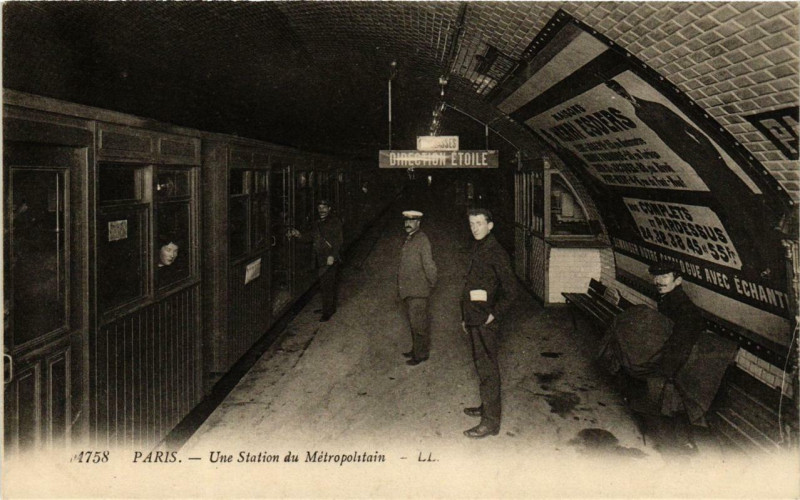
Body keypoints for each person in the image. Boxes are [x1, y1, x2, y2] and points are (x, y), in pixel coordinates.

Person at [599, 260, 706, 454]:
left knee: (669, 405)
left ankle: (681, 452)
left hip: (679, 363)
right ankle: (684, 446)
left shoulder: (684, 308)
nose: (658, 281)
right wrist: (621, 302)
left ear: (678, 280)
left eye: (664, 277)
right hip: (672, 359)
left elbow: (680, 342)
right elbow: (658, 327)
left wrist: (665, 372)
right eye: (656, 277)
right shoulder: (669, 298)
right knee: (670, 407)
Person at [460, 208, 519, 438]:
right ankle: (487, 406)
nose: (474, 227)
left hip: (485, 320)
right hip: (473, 316)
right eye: (471, 223)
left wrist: (493, 315)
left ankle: (491, 423)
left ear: (490, 225)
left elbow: (511, 291)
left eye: (479, 223)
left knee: (488, 370)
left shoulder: (496, 252)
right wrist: (464, 316)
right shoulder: (479, 246)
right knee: (481, 365)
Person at [288, 199, 343, 322]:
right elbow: (311, 237)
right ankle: (327, 307)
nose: (321, 210)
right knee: (324, 284)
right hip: (320, 258)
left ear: (329, 209)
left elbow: (338, 241)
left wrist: (332, 256)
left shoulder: (335, 222)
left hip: (328, 258)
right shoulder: (318, 222)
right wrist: (299, 235)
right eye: (319, 208)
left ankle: (328, 312)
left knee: (327, 285)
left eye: (324, 207)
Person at [397, 210, 438, 366]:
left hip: (418, 290)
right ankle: (416, 349)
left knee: (418, 324)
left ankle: (421, 354)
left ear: (418, 223)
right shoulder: (411, 238)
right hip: (410, 289)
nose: (408, 224)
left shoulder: (422, 240)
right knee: (414, 323)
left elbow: (429, 265)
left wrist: (430, 283)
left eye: (411, 221)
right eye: (406, 221)